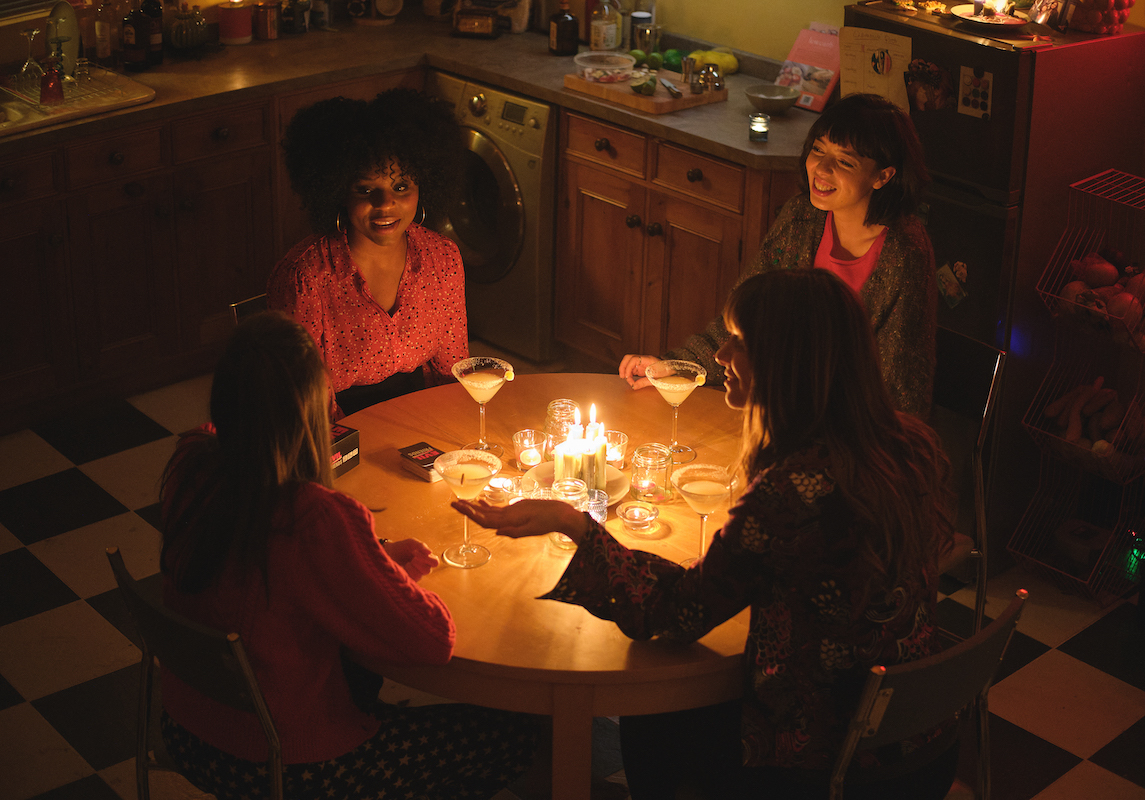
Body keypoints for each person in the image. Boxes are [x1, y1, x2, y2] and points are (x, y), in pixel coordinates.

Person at [455, 269, 959, 799]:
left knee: (656, 715)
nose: (720, 356)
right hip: (917, 743)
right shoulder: (907, 447)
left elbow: (678, 612)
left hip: (827, 764)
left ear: (786, 362)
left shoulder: (792, 493)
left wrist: (573, 523)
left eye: (739, 342)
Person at [157, 311, 538, 799]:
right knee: (517, 730)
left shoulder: (191, 466)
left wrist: (368, 557)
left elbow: (284, 575)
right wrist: (378, 567)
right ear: (311, 411)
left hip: (189, 731)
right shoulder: (312, 517)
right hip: (289, 762)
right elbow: (432, 639)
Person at [620, 93, 937, 418]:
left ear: (883, 175)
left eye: (845, 161)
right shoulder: (802, 217)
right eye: (818, 150)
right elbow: (746, 318)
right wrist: (679, 367)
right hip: (779, 413)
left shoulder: (904, 253)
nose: (822, 169)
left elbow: (900, 387)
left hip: (845, 431)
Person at [268, 87, 468, 419]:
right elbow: (304, 405)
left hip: (424, 426)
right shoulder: (306, 278)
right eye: (365, 189)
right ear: (337, 192)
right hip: (338, 436)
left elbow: (452, 372)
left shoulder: (443, 258)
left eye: (401, 187)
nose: (385, 203)